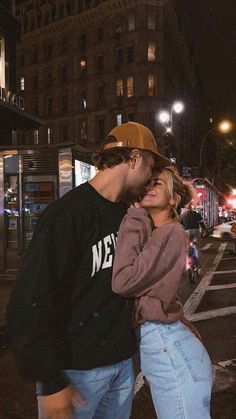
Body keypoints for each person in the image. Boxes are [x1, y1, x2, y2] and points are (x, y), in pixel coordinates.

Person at [7, 122, 170, 419]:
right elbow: (29, 301)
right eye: (151, 165)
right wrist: (51, 382)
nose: (152, 176)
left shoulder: (127, 216)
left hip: (122, 368)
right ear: (134, 158)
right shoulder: (67, 215)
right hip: (75, 374)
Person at [112, 166, 213, 419]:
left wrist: (134, 217)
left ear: (173, 198)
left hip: (167, 345)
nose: (149, 187)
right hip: (169, 342)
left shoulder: (169, 232)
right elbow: (159, 286)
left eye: (157, 183)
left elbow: (123, 280)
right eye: (147, 183)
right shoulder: (160, 232)